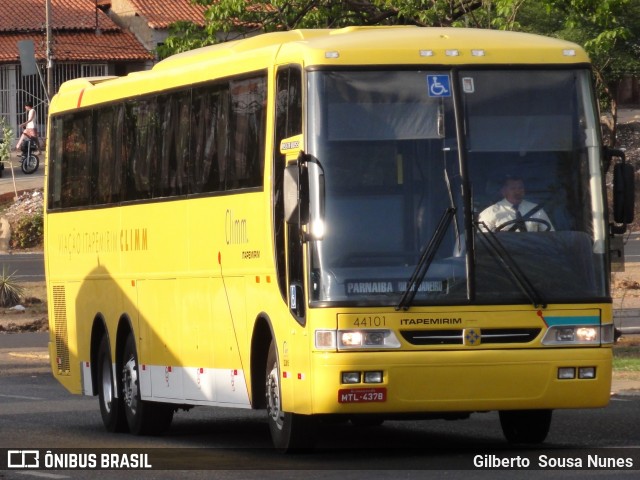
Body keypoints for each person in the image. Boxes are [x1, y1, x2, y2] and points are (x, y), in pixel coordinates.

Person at [478, 174, 554, 232]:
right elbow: (483, 240)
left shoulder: (536, 209)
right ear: (504, 191)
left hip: (533, 251)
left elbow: (551, 236)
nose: (518, 191)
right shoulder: (490, 212)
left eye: (520, 188)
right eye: (513, 188)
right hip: (503, 251)